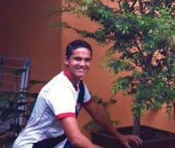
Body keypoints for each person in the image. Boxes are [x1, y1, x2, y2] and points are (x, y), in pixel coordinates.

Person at [13, 39, 142, 148]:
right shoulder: (60, 90)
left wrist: (119, 136)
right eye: (77, 59)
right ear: (67, 60)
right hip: (34, 145)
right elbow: (76, 138)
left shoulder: (79, 85)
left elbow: (97, 112)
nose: (82, 64)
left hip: (57, 142)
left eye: (87, 60)